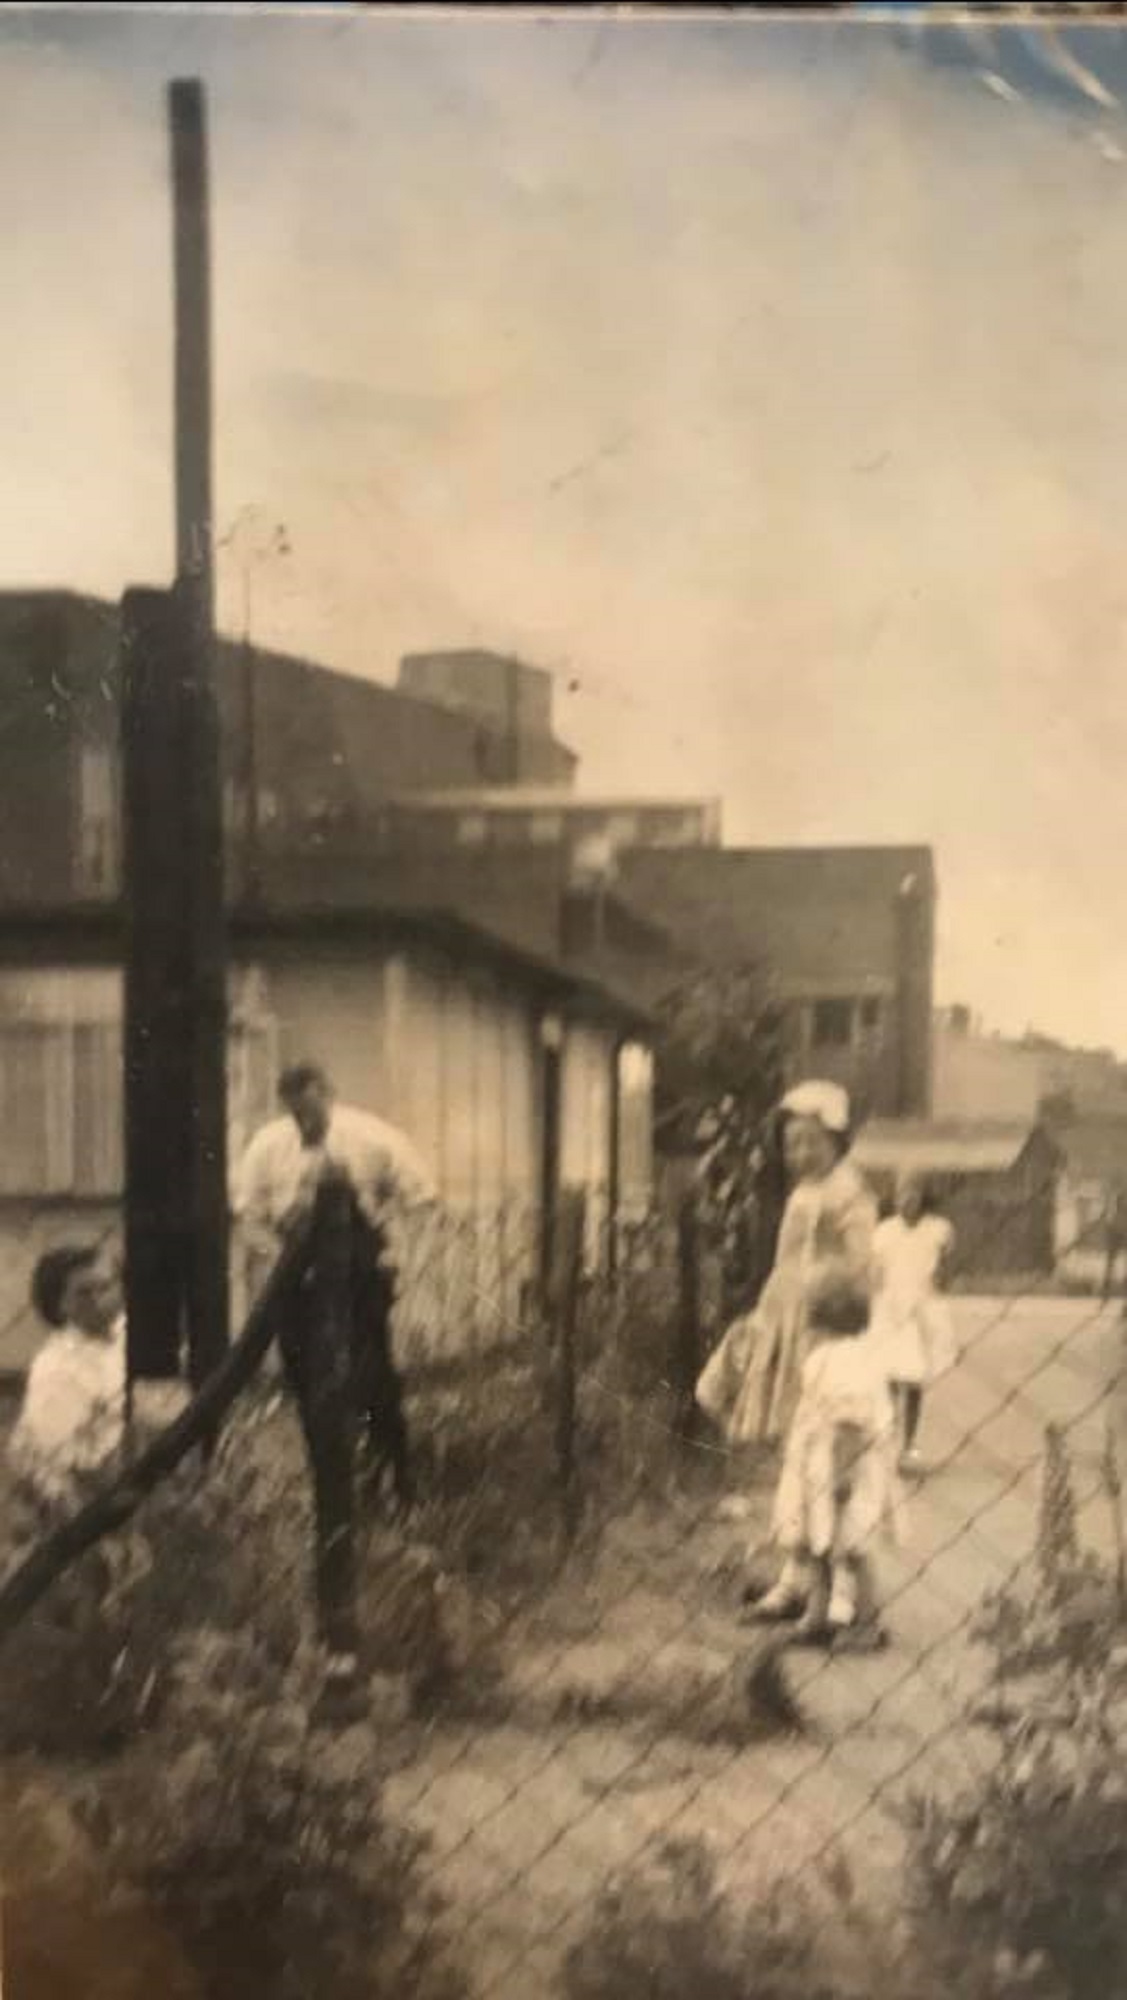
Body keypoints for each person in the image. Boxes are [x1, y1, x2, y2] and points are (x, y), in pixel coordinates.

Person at [233, 1063, 436, 1512]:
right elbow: (248, 1214)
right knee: (307, 1381)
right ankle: (330, 1486)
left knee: (372, 1377)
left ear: (329, 1093)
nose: (305, 1121)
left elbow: (422, 1198)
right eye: (295, 1112)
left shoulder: (374, 1137)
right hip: (296, 1276)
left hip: (359, 1273)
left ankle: (393, 1481)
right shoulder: (268, 1145)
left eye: (312, 1108)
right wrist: (281, 1259)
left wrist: (391, 1250)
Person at [696, 1079, 878, 1450]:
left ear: (837, 1143)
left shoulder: (848, 1191)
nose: (802, 1154)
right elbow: (786, 1256)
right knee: (775, 1369)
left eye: (813, 1142)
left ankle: (823, 1451)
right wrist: (771, 1302)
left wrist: (835, 1268)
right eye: (793, 1144)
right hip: (787, 1299)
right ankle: (791, 1451)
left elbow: (861, 1257)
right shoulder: (803, 1192)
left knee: (820, 1381)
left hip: (826, 1305)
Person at [744, 1277, 903, 1651]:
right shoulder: (835, 1356)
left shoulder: (845, 1359)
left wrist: (842, 1475)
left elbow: (850, 1423)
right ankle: (816, 1616)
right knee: (817, 1541)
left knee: (851, 1546)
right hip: (819, 1462)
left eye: (809, 1321)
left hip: (845, 1464)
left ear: (822, 1322)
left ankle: (867, 1623)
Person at [8, 1245, 127, 1508]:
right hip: (91, 1482)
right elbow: (63, 1454)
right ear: (59, 1305)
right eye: (83, 1294)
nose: (98, 1301)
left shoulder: (131, 1336)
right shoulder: (55, 1367)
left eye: (105, 1287)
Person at [871, 1174, 957, 1475]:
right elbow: (876, 1275)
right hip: (891, 1310)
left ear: (923, 1197)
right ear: (894, 1199)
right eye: (901, 1194)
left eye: (913, 1193)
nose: (907, 1199)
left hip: (922, 1308)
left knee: (915, 1380)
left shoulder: (937, 1230)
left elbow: (944, 1275)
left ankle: (909, 1444)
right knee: (889, 1379)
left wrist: (942, 1272)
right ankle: (889, 1442)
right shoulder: (883, 1232)